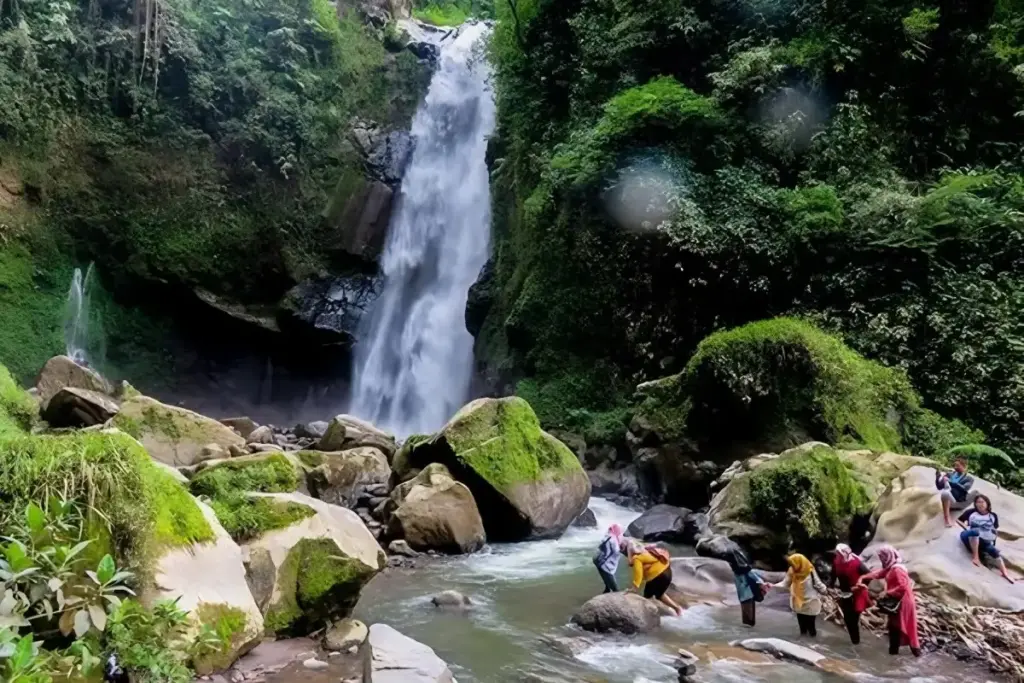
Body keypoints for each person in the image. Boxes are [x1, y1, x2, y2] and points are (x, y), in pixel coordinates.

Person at [858, 545, 921, 657]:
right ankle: (893, 655)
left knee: (907, 628)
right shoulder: (891, 568)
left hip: (903, 601)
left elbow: (903, 586)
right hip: (897, 600)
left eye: (882, 557)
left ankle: (916, 654)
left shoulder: (897, 570)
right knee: (894, 628)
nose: (882, 560)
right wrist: (863, 577)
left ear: (888, 556)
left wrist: (887, 593)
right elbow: (879, 573)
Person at [957, 494, 1015, 584]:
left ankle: (1005, 573)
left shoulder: (992, 516)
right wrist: (966, 528)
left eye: (982, 502)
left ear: (987, 503)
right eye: (978, 502)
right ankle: (976, 557)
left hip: (983, 540)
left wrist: (993, 534)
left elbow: (994, 528)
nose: (980, 504)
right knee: (975, 531)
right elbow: (958, 519)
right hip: (968, 536)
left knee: (995, 552)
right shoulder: (971, 512)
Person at [772, 553, 828, 637]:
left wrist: (825, 590)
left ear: (800, 562)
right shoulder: (792, 571)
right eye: (791, 564)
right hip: (798, 603)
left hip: (811, 604)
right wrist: (771, 585)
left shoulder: (810, 571)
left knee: (811, 628)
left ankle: (812, 646)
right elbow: (785, 583)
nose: (792, 565)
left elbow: (818, 584)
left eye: (793, 563)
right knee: (802, 629)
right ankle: (803, 643)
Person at [830, 543, 872, 644]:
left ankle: (856, 642)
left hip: (858, 594)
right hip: (845, 593)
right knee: (848, 619)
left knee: (853, 618)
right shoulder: (836, 562)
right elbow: (833, 574)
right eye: (837, 553)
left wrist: (860, 585)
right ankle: (855, 642)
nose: (838, 555)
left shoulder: (856, 563)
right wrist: (830, 585)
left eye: (839, 553)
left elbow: (869, 576)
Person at [628, 542, 684, 616]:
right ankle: (677, 608)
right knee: (659, 594)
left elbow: (638, 573)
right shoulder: (649, 553)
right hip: (667, 573)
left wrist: (635, 587)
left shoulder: (638, 558)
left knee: (647, 597)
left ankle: (648, 615)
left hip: (658, 575)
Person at [725, 546, 766, 626]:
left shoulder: (737, 570)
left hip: (743, 595)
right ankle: (750, 630)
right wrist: (762, 583)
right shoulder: (745, 569)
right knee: (749, 616)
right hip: (748, 594)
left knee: (747, 615)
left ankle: (748, 629)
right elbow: (755, 577)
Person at [936, 457, 978, 527]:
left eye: (958, 466)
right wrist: (937, 477)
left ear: (964, 466)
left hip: (961, 501)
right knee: (945, 493)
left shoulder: (969, 479)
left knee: (976, 493)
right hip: (951, 501)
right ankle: (947, 519)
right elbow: (939, 487)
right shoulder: (949, 474)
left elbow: (964, 488)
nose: (955, 467)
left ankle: (975, 515)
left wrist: (951, 482)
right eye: (954, 465)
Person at [593, 524, 625, 593]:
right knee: (609, 576)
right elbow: (616, 551)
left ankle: (607, 589)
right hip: (605, 562)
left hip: (598, 559)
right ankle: (616, 592)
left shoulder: (607, 536)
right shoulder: (613, 539)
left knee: (604, 576)